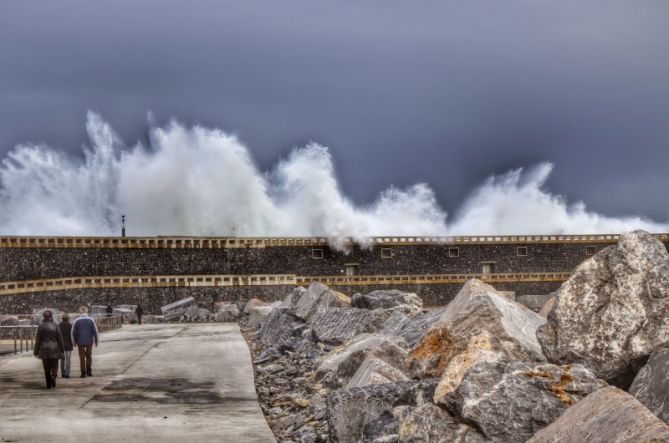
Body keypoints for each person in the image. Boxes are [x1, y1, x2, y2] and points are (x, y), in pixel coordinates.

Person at [33, 310, 64, 389]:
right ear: (51, 316)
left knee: (46, 368)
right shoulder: (56, 326)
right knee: (55, 365)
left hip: (44, 348)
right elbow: (60, 338)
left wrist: (35, 351)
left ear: (44, 316)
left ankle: (48, 384)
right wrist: (62, 349)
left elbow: (38, 340)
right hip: (54, 348)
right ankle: (53, 376)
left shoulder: (41, 326)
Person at [71, 308, 98, 378]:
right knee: (89, 357)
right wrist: (96, 341)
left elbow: (73, 332)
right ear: (86, 311)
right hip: (89, 341)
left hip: (80, 342)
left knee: (82, 358)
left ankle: (83, 373)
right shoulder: (91, 320)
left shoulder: (76, 320)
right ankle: (89, 372)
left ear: (80, 312)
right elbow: (95, 331)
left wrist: (73, 342)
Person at [58, 314, 73, 378]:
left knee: (62, 359)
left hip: (61, 345)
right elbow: (72, 335)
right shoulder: (70, 325)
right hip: (69, 344)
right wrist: (73, 342)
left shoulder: (59, 325)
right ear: (68, 319)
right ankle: (67, 374)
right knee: (68, 360)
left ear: (62, 319)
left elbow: (58, 335)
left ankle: (62, 373)